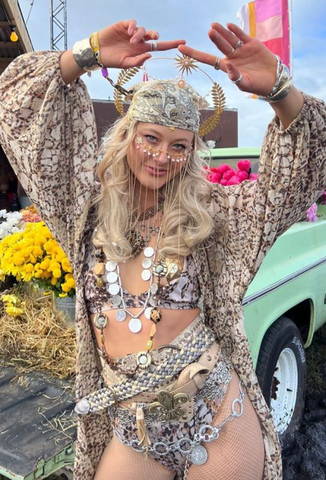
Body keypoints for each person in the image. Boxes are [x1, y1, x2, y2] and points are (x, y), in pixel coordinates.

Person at [0, 18, 325, 480]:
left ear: (192, 151)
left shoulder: (214, 217)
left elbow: (294, 179)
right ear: (127, 135)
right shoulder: (84, 208)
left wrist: (280, 90)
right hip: (134, 430)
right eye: (150, 138)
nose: (162, 155)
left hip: (215, 416)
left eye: (178, 145)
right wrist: (87, 53)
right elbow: (19, 111)